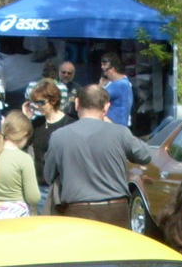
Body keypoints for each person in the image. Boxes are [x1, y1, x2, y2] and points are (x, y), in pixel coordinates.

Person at [44, 83, 153, 227]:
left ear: (77, 104)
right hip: (116, 211)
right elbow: (145, 155)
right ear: (106, 107)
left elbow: (48, 175)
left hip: (76, 212)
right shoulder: (120, 133)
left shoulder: (58, 137)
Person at [25, 78, 73, 206]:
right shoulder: (37, 124)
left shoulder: (69, 124)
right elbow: (22, 145)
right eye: (35, 102)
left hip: (62, 188)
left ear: (53, 100)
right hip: (39, 186)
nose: (37, 106)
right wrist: (26, 119)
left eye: (41, 102)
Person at [99, 52, 133, 128]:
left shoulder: (119, 84)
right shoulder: (124, 82)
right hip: (119, 126)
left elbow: (96, 98)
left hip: (115, 126)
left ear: (112, 69)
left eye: (104, 65)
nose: (102, 67)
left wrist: (101, 85)